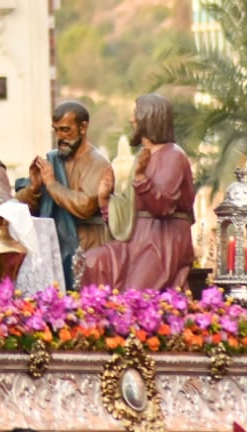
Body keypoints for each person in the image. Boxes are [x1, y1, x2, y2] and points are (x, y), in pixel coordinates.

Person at [80, 95, 195, 292]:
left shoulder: (174, 155)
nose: (131, 120)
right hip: (136, 238)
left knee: (136, 294)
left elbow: (163, 206)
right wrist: (105, 198)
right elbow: (129, 207)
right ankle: (97, 311)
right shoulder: (143, 157)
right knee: (92, 261)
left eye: (136, 115)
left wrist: (141, 179)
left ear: (150, 118)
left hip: (163, 240)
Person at [21, 101, 113, 287]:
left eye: (65, 130)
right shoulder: (53, 160)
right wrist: (34, 189)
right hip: (55, 247)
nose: (60, 137)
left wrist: (52, 184)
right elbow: (23, 206)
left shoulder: (98, 164)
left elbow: (85, 205)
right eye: (56, 130)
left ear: (83, 127)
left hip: (88, 245)